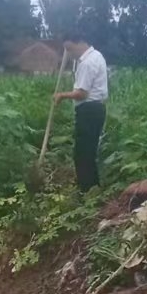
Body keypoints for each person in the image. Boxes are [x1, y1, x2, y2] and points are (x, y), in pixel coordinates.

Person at [55, 37, 108, 191]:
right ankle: (93, 188)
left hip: (88, 111)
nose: (69, 54)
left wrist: (61, 96)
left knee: (82, 155)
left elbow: (82, 94)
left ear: (80, 43)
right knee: (89, 153)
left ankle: (86, 191)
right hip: (96, 109)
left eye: (70, 49)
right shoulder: (97, 56)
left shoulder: (87, 63)